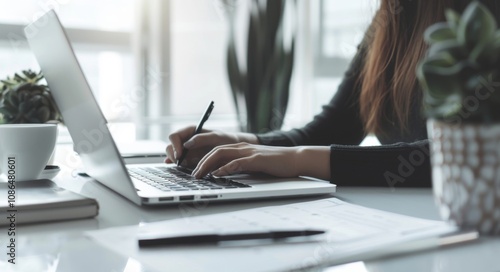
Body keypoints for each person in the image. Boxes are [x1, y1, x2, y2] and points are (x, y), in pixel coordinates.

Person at [165, 0, 500, 188]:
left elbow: (455, 154)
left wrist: (298, 159)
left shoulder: (485, 21)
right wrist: (239, 141)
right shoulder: (394, 18)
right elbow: (335, 126)